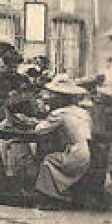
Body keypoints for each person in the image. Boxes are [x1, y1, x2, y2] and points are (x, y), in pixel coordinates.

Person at [32, 77, 93, 209]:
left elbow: (39, 130)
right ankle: (61, 192)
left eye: (54, 96)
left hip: (74, 155)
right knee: (56, 156)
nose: (51, 98)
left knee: (48, 160)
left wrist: (37, 121)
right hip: (87, 154)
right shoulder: (83, 113)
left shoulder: (60, 114)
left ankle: (52, 196)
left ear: (61, 98)